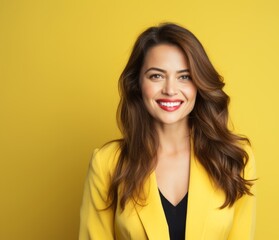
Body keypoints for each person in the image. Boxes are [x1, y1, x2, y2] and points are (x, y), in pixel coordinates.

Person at [79, 23, 256, 240]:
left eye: (185, 76)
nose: (170, 90)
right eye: (156, 76)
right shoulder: (107, 162)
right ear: (137, 84)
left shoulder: (234, 159)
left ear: (199, 85)